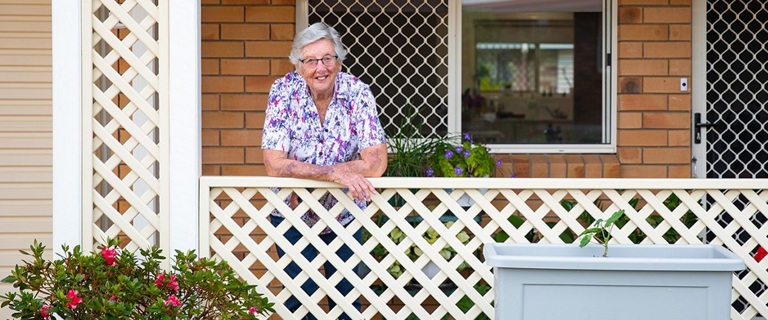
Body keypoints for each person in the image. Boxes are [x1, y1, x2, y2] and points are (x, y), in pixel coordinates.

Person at [261, 22, 387, 320]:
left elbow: (376, 162)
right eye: (310, 60)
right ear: (298, 65)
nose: (320, 68)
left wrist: (326, 172)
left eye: (328, 58)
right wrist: (333, 174)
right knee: (300, 304)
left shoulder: (357, 92)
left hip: (344, 214)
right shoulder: (282, 91)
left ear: (339, 61)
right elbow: (274, 164)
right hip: (292, 214)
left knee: (346, 305)